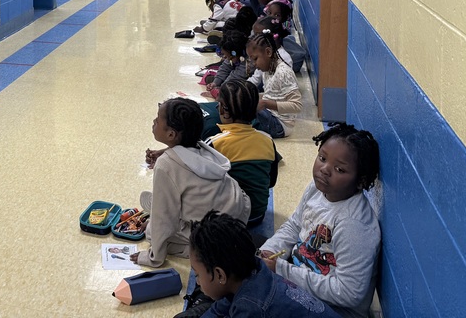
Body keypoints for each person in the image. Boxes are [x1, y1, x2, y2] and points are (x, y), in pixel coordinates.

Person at [259, 124, 381, 318]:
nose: (324, 169)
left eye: (339, 169)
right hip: (300, 277)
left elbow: (350, 293)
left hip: (333, 310)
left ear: (360, 181)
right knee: (242, 250)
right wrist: (270, 252)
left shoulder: (354, 225)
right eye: (322, 158)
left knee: (252, 302)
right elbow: (294, 225)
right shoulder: (318, 189)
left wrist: (281, 269)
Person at [134, 98, 250, 267]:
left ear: (171, 134)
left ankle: (201, 248)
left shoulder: (165, 165)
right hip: (238, 210)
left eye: (158, 119)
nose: (154, 121)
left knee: (153, 231)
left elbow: (164, 220)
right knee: (160, 202)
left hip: (216, 232)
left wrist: (153, 257)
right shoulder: (200, 146)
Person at [184, 212, 341, 318]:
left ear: (220, 275)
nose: (197, 282)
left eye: (197, 275)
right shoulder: (254, 269)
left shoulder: (251, 307)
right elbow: (219, 308)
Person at [207, 79, 280, 226]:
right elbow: (271, 182)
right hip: (258, 216)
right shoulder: (267, 140)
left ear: (222, 110)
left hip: (226, 221)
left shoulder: (214, 143)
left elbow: (204, 187)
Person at [246, 28, 302, 139]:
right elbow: (273, 95)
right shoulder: (268, 69)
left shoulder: (283, 72)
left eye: (255, 59)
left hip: (280, 125)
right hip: (269, 115)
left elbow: (297, 105)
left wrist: (266, 104)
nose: (254, 64)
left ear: (268, 52)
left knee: (243, 113)